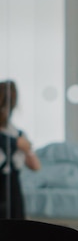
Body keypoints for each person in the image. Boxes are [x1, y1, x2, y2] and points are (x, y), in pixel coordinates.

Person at [0, 80, 41, 219]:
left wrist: (26, 148)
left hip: (13, 186)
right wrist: (16, 143)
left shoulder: (18, 134)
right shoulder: (17, 137)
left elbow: (35, 166)